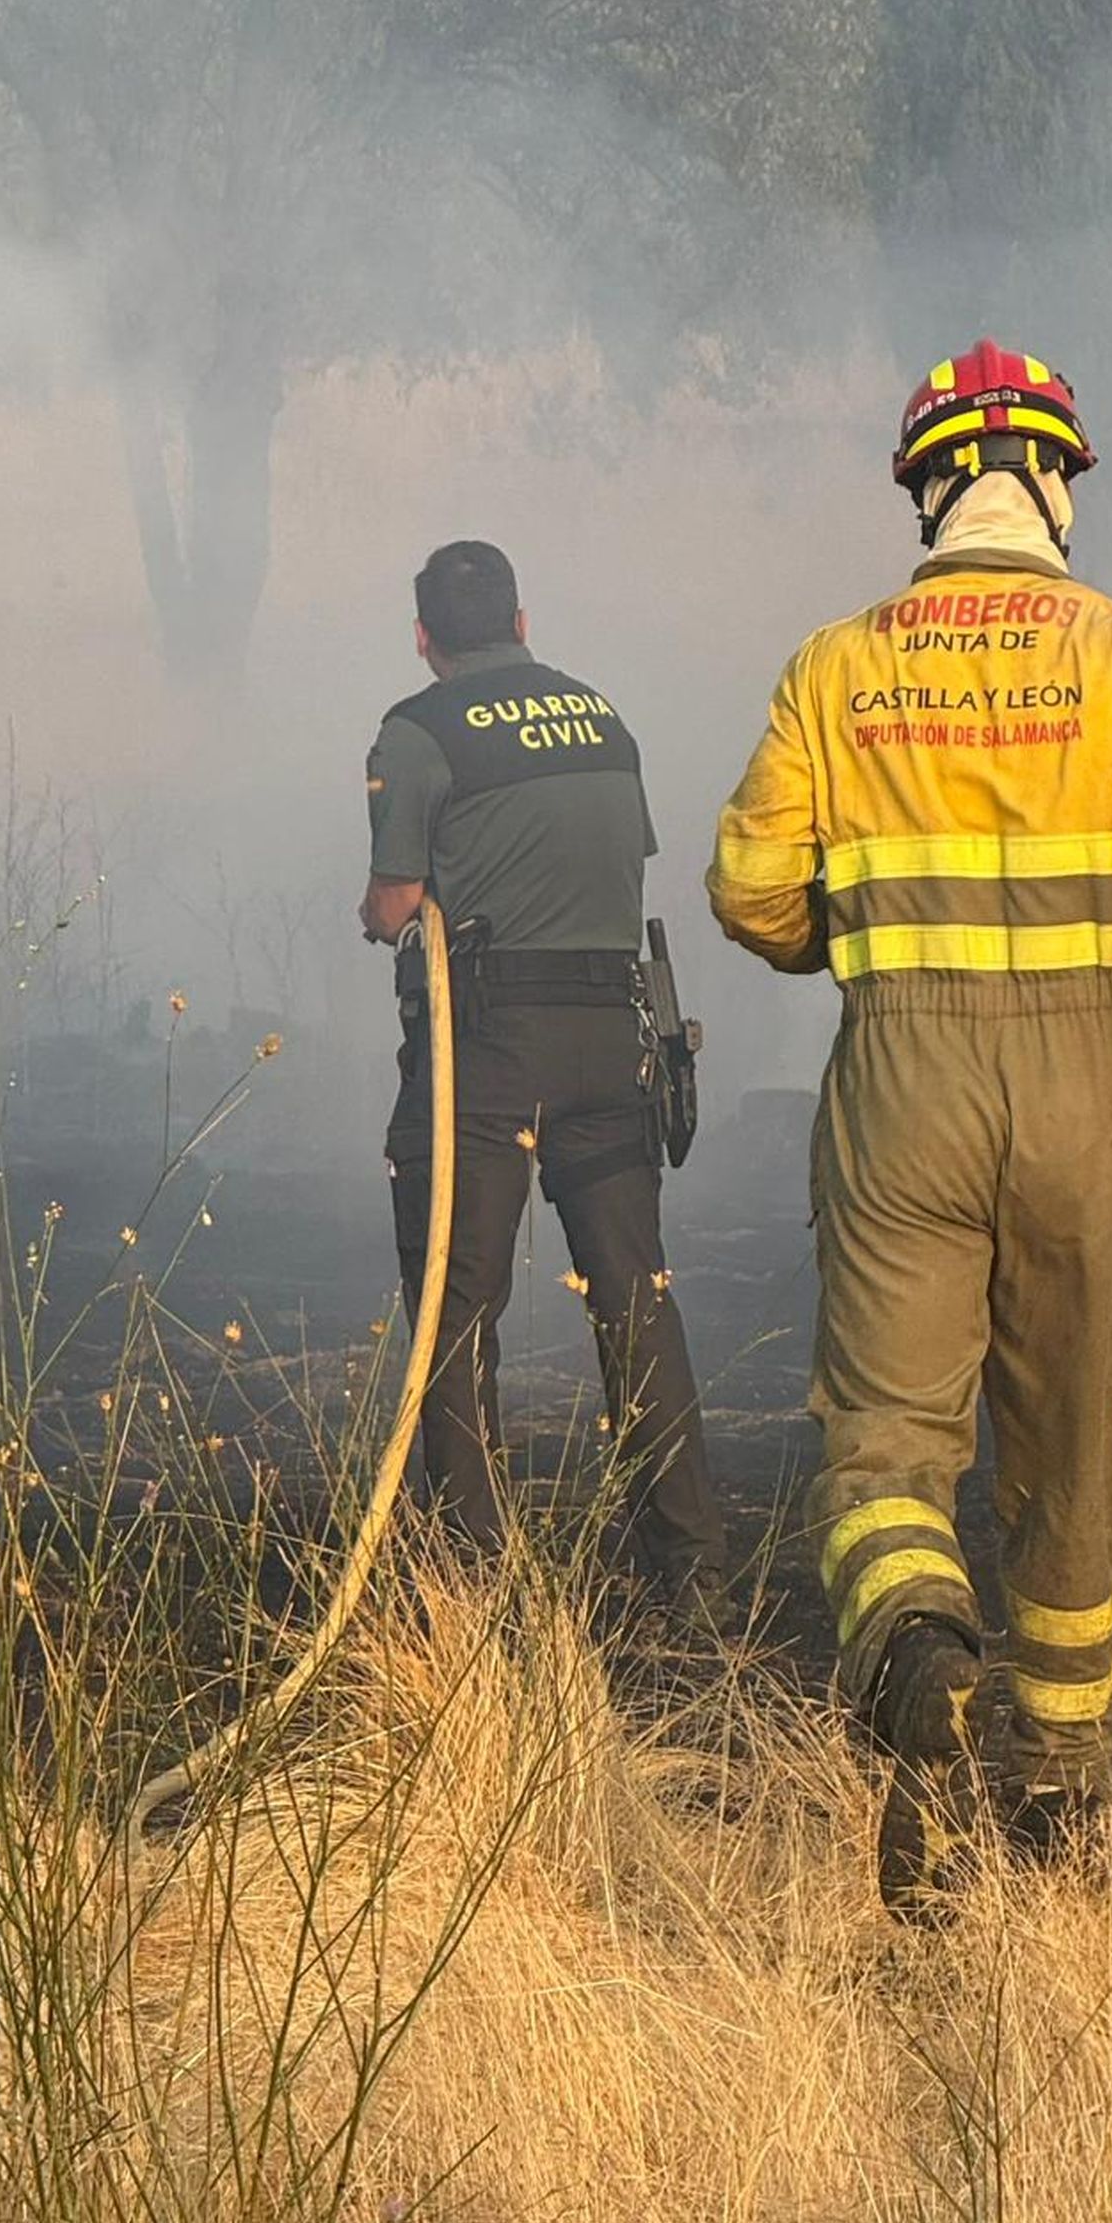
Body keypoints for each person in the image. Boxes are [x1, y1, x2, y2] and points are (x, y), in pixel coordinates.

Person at [707, 341, 1112, 1913]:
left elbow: (749, 888)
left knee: (890, 1437)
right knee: (1072, 1451)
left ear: (927, 487)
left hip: (903, 1089)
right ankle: (1055, 1792)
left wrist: (861, 939)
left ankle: (912, 1647)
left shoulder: (836, 664)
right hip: (1089, 1094)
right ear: (1054, 481)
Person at [360, 538, 729, 1625]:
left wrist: (378, 914)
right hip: (612, 1046)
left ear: (426, 640)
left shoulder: (416, 730)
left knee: (456, 1310)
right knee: (635, 1299)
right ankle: (693, 1572)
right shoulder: (602, 717)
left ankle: (480, 1592)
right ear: (524, 623)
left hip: (487, 1052)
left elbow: (396, 900)